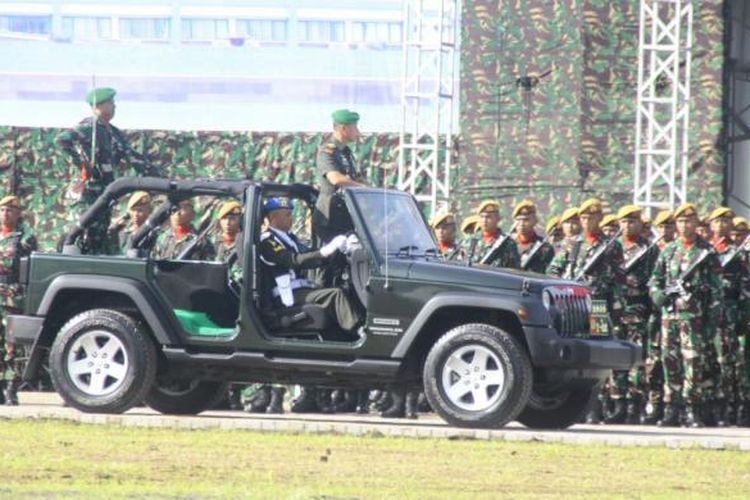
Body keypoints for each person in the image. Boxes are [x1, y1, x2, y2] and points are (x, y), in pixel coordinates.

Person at [547, 199, 625, 424]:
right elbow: (553, 270)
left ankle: (595, 407)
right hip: (571, 306)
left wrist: (615, 305)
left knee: (596, 358)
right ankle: (573, 404)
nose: (587, 221)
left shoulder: (611, 245)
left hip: (598, 306)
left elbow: (619, 278)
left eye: (591, 217)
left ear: (600, 218)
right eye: (583, 217)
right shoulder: (572, 244)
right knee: (574, 355)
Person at [56, 87, 158, 254]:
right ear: (99, 105)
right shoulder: (89, 127)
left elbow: (132, 157)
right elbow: (62, 140)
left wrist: (157, 176)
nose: (114, 106)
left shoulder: (114, 133)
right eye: (111, 103)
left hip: (105, 195)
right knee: (84, 237)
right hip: (88, 195)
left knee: (99, 238)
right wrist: (82, 164)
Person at [648, 203, 723, 427]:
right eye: (680, 221)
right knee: (669, 361)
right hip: (669, 316)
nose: (684, 225)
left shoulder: (706, 252)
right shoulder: (669, 250)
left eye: (689, 221)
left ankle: (692, 409)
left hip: (694, 317)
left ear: (696, 223)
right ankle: (672, 408)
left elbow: (716, 289)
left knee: (693, 363)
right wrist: (658, 295)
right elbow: (655, 279)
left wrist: (711, 321)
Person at [260, 197, 360, 334]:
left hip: (300, 289)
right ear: (273, 218)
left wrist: (335, 251)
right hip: (287, 294)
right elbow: (293, 260)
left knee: (342, 288)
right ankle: (358, 333)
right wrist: (324, 251)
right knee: (336, 295)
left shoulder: (290, 239)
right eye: (288, 215)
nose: (291, 219)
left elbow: (309, 257)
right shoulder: (268, 241)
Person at [611, 205, 658, 424]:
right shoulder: (611, 247)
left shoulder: (649, 249)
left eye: (632, 221)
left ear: (640, 223)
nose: (628, 225)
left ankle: (634, 406)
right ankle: (617, 403)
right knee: (615, 358)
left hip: (637, 310)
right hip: (615, 311)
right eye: (624, 221)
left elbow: (655, 281)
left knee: (636, 360)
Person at [708, 207, 750, 426]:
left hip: (729, 316)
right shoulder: (703, 251)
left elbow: (744, 288)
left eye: (727, 222)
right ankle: (709, 408)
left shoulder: (738, 253)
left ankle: (732, 408)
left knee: (729, 363)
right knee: (706, 362)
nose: (723, 225)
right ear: (711, 225)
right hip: (703, 317)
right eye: (719, 222)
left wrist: (743, 316)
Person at [0, 195, 38, 404]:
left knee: (11, 346)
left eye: (10, 210)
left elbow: (31, 266)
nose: (5, 214)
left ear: (18, 213)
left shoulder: (24, 238)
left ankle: (11, 388)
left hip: (12, 297)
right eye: (3, 210)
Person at [313, 109, 367, 244]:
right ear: (343, 128)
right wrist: (363, 188)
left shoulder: (346, 152)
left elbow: (355, 177)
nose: (358, 132)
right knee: (331, 258)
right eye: (355, 127)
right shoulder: (327, 150)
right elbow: (335, 178)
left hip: (346, 214)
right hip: (330, 217)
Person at [642, 209, 676, 424]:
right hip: (651, 315)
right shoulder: (651, 251)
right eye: (662, 226)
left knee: (673, 361)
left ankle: (673, 405)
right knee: (652, 362)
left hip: (675, 314)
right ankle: (655, 404)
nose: (665, 230)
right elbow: (649, 281)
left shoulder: (680, 250)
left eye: (669, 226)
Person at [468, 200, 520, 268]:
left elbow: (514, 270)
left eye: (488, 217)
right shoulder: (470, 242)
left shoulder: (508, 243)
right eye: (482, 217)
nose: (484, 220)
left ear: (498, 218)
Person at [512, 200, 554, 273]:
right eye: (518, 220)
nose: (521, 224)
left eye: (526, 220)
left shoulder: (544, 247)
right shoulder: (508, 246)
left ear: (535, 221)